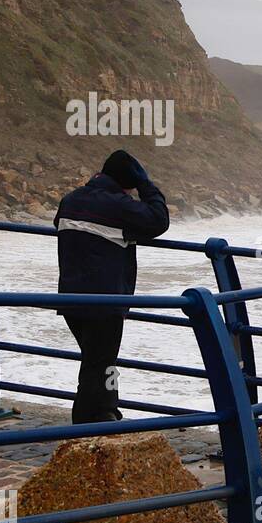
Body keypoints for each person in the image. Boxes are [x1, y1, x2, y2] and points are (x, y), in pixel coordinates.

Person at [54, 150, 170, 423]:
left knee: (97, 362)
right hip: (104, 301)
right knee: (100, 365)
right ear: (127, 183)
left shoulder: (70, 200)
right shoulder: (119, 206)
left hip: (70, 298)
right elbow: (159, 220)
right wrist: (146, 185)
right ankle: (89, 424)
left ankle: (107, 413)